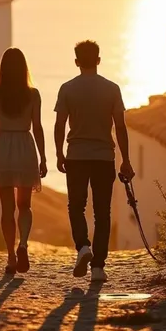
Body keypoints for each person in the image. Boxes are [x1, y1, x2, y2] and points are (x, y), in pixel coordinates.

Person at [54, 40, 134, 283]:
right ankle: (98, 267)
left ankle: (83, 247)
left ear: (77, 62)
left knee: (76, 207)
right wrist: (126, 160)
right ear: (98, 60)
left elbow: (59, 125)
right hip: (103, 157)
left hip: (76, 156)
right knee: (102, 212)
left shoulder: (67, 89)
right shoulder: (112, 89)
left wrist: (59, 153)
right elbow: (120, 127)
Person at [0, 48, 47, 275]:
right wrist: (43, 157)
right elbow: (39, 127)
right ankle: (23, 244)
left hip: (2, 146)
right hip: (25, 146)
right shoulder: (33, 95)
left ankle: (11, 257)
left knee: (7, 208)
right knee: (25, 205)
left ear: (2, 67)